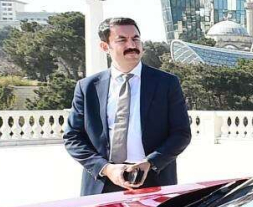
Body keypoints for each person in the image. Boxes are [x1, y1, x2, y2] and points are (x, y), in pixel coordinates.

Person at [63, 17, 191, 196]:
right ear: (105, 47)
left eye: (135, 39)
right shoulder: (87, 87)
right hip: (102, 183)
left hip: (154, 179)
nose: (132, 45)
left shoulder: (167, 83)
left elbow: (181, 133)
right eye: (122, 40)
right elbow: (72, 137)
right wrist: (106, 168)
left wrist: (151, 162)